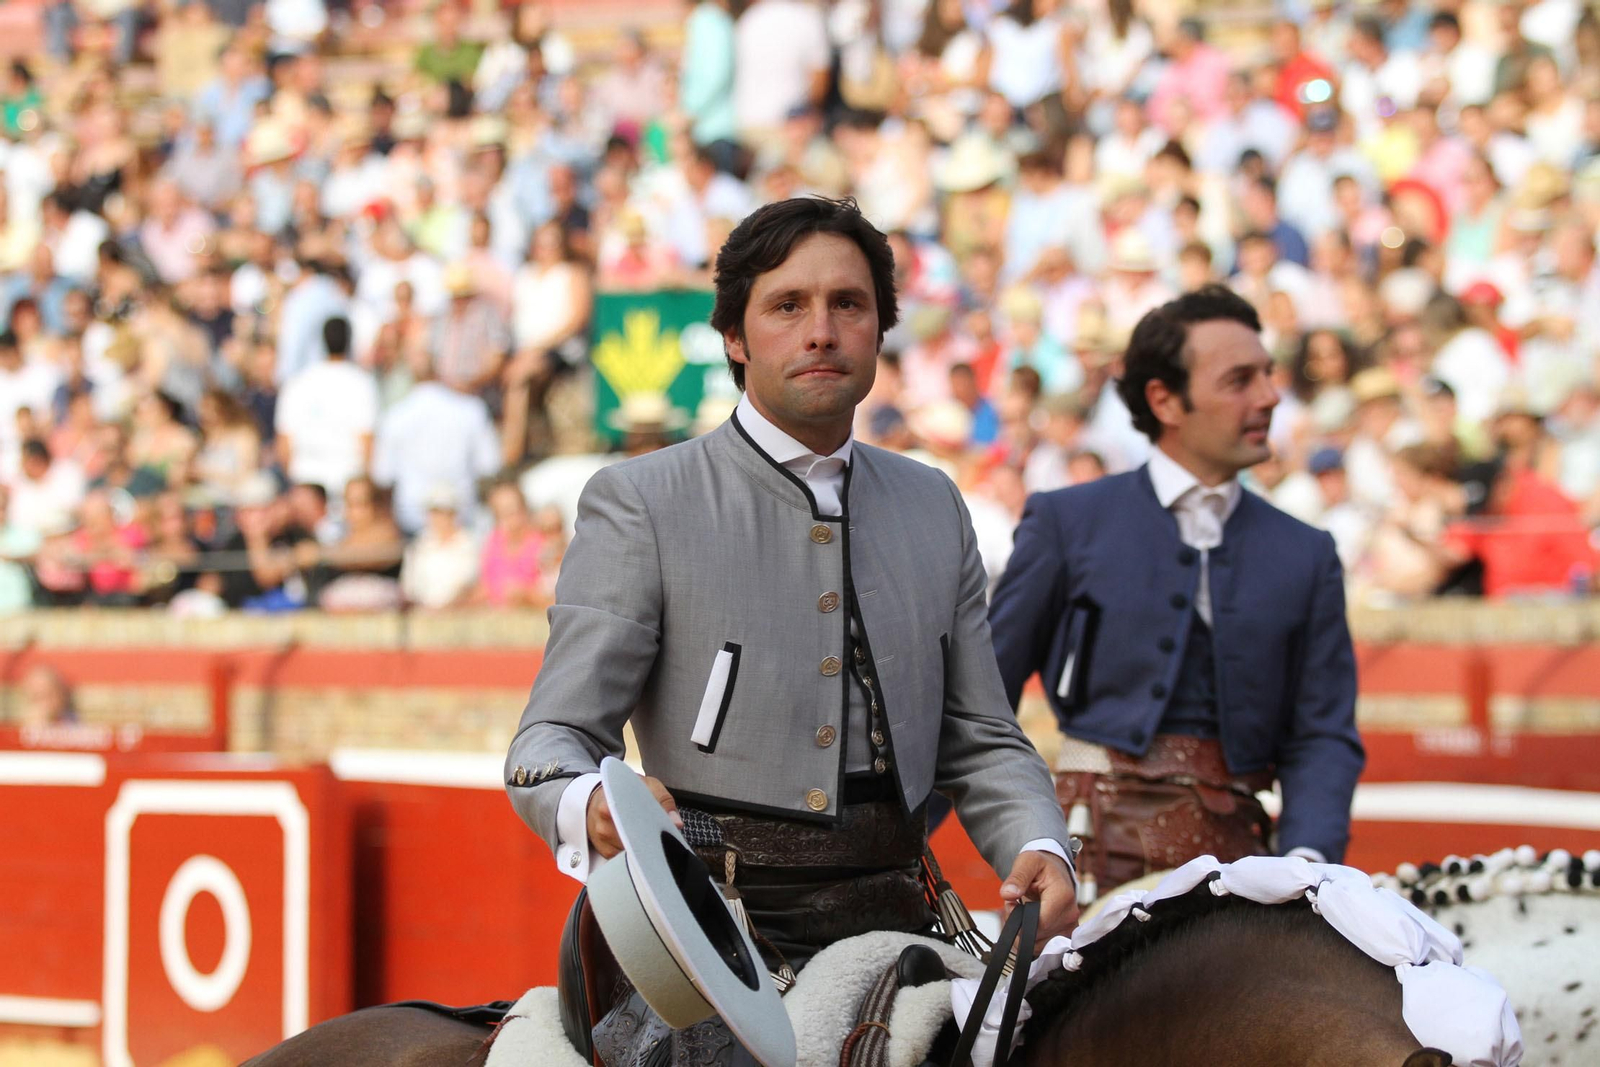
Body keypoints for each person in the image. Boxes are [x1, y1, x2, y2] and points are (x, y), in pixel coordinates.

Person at [505, 197, 1076, 1065]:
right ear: (735, 336)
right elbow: (548, 742)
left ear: (881, 329)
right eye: (787, 306)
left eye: (848, 304)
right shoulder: (644, 501)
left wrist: (1040, 840)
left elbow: (983, 736)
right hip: (711, 928)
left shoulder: (932, 503)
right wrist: (598, 804)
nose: (821, 331)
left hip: (903, 907)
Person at [989, 285, 1362, 898]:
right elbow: (984, 703)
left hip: (1245, 868)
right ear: (1165, 399)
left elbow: (1321, 731)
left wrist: (1306, 863)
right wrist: (1016, 836)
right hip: (1089, 854)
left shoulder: (1306, 551)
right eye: (1240, 380)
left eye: (1268, 375)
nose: (1270, 396)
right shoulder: (1069, 521)